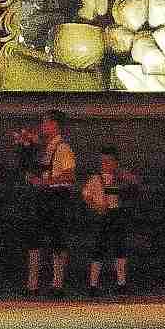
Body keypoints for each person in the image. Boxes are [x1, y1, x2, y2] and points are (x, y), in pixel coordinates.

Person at [23, 110, 79, 296]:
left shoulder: (63, 148)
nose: (42, 126)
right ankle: (33, 284)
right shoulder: (45, 148)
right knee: (35, 238)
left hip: (57, 196)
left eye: (45, 123)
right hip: (44, 195)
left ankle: (57, 284)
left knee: (57, 239)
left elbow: (70, 175)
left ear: (55, 125)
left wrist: (44, 182)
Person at [81, 146, 141, 297]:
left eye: (109, 161)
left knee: (120, 248)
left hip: (117, 214)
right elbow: (86, 196)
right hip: (102, 216)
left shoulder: (120, 177)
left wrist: (122, 174)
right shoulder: (95, 179)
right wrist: (96, 207)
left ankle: (121, 283)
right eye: (103, 161)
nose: (106, 164)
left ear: (115, 162)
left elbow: (135, 183)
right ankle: (93, 285)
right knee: (99, 248)